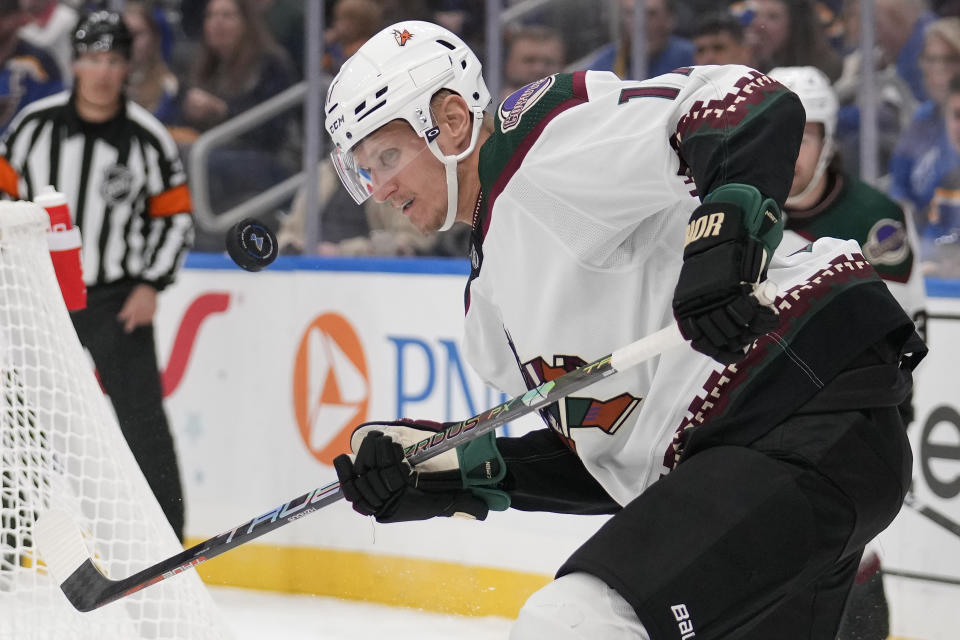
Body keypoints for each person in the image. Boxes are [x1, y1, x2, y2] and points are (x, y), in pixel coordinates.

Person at [325, 20, 925, 639]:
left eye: (388, 157)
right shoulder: (490, 311)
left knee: (572, 625)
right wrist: (455, 469)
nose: (381, 188)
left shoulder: (542, 145)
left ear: (451, 121)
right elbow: (614, 454)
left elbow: (749, 105)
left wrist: (724, 241)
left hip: (802, 406)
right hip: (762, 460)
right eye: (366, 170)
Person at [0, 10, 193, 541]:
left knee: (143, 425)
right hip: (40, 301)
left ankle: (167, 541)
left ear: (128, 66)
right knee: (20, 425)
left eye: (113, 60)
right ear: (76, 63)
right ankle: (10, 544)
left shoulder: (147, 139)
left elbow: (176, 220)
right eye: (91, 59)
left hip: (116, 301)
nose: (102, 72)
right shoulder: (32, 128)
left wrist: (151, 284)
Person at [769, 66, 928, 640]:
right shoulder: (728, 212)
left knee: (844, 542)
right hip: (757, 413)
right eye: (775, 133)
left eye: (803, 134)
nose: (788, 150)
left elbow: (904, 338)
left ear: (829, 137)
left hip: (844, 416)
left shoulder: (872, 220)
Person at [888, 18, 960, 226]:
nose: (938, 69)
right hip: (922, 238)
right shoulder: (922, 119)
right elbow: (899, 185)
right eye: (931, 59)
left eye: (949, 60)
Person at [587, 0, 694, 79]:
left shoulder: (693, 56)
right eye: (630, 14)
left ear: (670, 19)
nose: (640, 23)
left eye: (650, 14)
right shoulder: (606, 62)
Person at [740, 0, 842, 81]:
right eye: (756, 15)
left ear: (796, 25)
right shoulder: (747, 62)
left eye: (772, 17)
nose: (757, 25)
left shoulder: (827, 69)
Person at [0, 0, 61, 134]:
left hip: (20, 144)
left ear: (19, 17)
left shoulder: (39, 61)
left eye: (3, 16)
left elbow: (54, 107)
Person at [124, 1, 181, 126]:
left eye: (137, 34)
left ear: (155, 38)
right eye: (125, 33)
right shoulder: (103, 80)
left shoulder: (169, 85)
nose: (130, 40)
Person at [500, 25, 566, 101]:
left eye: (548, 62)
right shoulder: (486, 108)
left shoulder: (577, 109)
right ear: (509, 64)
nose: (539, 69)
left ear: (562, 66)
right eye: (529, 60)